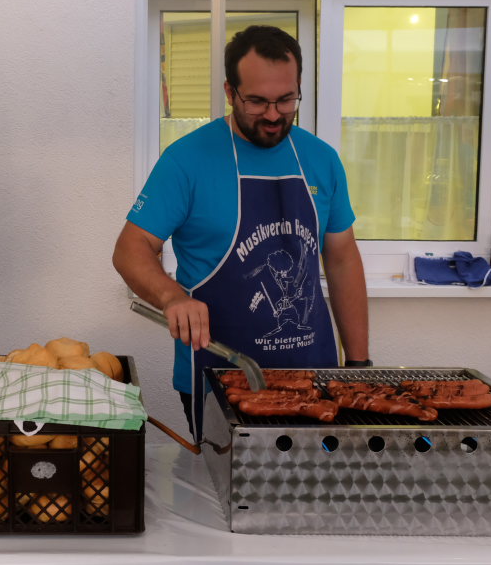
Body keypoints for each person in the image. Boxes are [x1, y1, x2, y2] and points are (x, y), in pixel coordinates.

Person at [112, 25, 368, 440]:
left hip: (314, 374)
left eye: (286, 99)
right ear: (230, 93)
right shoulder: (187, 160)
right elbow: (131, 248)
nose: (273, 114)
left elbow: (342, 260)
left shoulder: (322, 159)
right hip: (219, 377)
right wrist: (172, 296)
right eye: (258, 101)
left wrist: (358, 365)